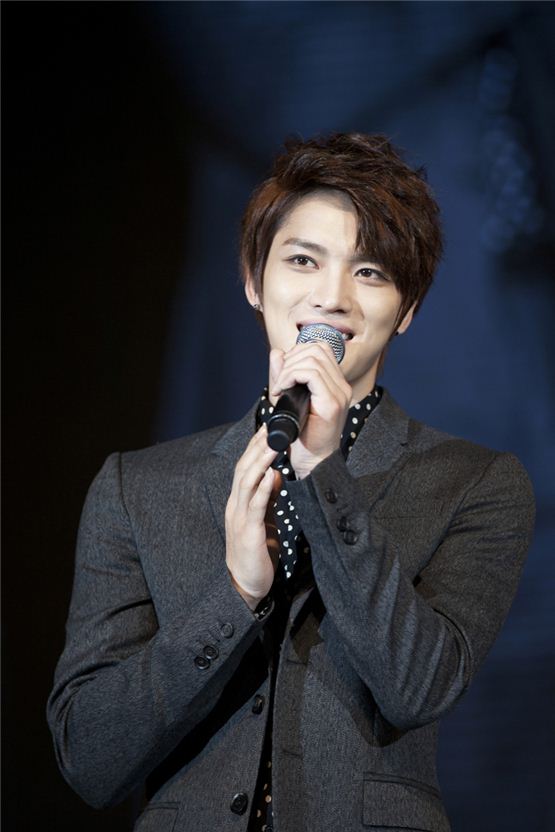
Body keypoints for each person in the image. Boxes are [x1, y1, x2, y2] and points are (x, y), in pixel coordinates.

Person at [47, 133, 535, 832]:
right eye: (302, 260)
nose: (330, 297)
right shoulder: (138, 487)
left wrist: (322, 473)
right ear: (253, 280)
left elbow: (415, 686)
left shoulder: (475, 484)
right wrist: (236, 594)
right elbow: (90, 758)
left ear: (407, 309)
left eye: (369, 272)